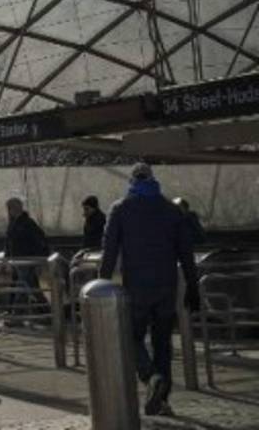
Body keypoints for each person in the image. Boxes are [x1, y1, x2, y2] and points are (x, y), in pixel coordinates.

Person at [101, 163, 200, 417]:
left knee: (131, 336)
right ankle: (163, 401)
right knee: (162, 343)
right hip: (167, 286)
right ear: (153, 181)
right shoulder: (172, 210)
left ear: (132, 181)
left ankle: (150, 377)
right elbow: (186, 253)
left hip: (136, 287)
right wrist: (192, 285)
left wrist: (102, 282)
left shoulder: (121, 209)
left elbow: (110, 250)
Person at [4, 198, 50, 320]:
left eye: (9, 208)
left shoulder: (26, 223)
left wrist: (38, 258)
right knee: (32, 288)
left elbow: (39, 240)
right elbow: (9, 243)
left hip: (26, 260)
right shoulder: (18, 223)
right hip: (21, 260)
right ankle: (48, 313)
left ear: (14, 209)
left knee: (22, 287)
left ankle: (16, 316)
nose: (8, 212)